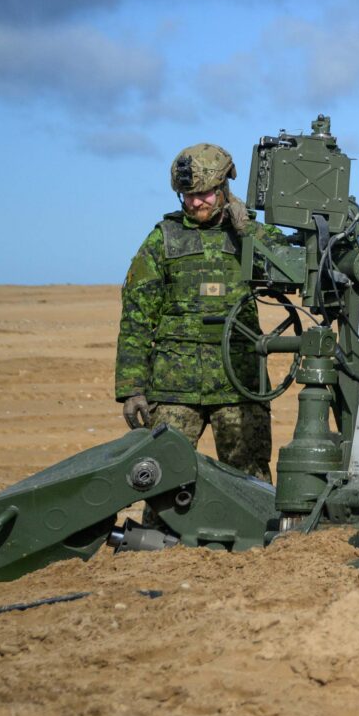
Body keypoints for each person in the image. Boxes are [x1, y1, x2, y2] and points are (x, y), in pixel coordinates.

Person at [115, 144, 274, 477]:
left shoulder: (250, 233)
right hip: (175, 389)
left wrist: (247, 233)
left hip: (239, 386)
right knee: (163, 479)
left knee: (251, 482)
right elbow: (137, 316)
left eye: (203, 195)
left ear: (223, 189)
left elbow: (289, 269)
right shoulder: (163, 239)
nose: (195, 203)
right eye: (187, 196)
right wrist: (131, 388)